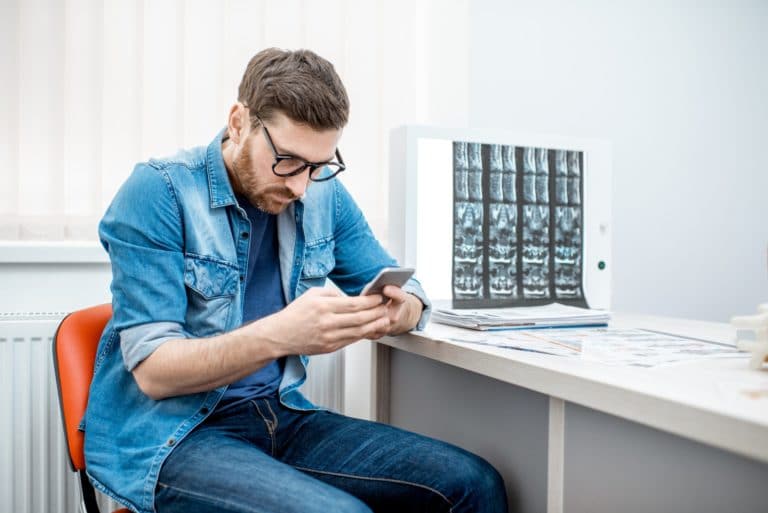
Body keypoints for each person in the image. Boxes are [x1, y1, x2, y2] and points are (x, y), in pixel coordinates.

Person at [85, 48, 507, 513]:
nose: (301, 185)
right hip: (175, 435)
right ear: (239, 122)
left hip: (280, 415)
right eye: (287, 160)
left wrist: (400, 310)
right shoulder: (159, 192)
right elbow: (154, 371)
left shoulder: (322, 192)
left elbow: (404, 288)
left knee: (474, 483)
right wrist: (281, 334)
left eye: (318, 164)